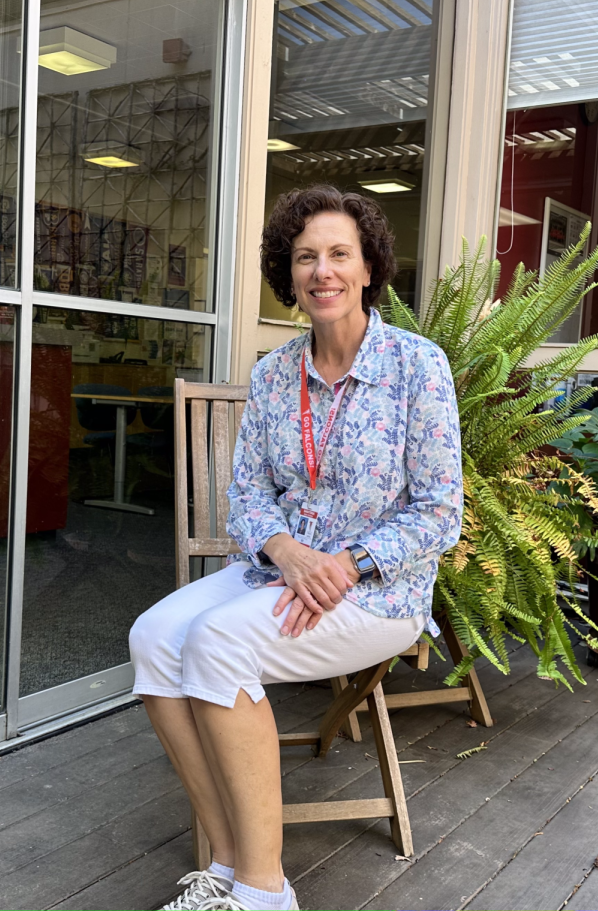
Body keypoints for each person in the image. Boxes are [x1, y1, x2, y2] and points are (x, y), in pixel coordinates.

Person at [128, 185, 463, 911]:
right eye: (305, 256)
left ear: (369, 265)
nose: (323, 271)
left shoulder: (417, 367)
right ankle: (224, 862)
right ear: (290, 272)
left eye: (339, 253)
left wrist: (342, 564)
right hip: (277, 571)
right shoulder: (276, 374)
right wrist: (286, 550)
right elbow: (246, 494)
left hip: (378, 589)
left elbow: (442, 511)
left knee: (216, 645)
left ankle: (264, 889)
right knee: (153, 637)